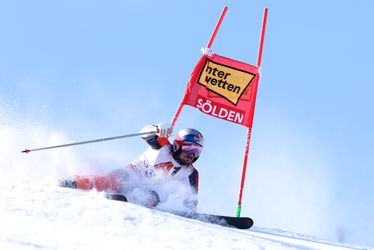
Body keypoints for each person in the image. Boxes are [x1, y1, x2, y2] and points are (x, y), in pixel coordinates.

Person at [58, 122, 204, 211]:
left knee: (154, 196)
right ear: (178, 145)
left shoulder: (191, 173)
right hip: (130, 175)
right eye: (189, 149)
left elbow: (191, 199)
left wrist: (191, 211)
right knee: (110, 182)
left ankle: (133, 200)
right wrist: (157, 129)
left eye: (197, 151)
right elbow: (144, 132)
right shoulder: (163, 146)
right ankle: (74, 182)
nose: (192, 155)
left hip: (147, 190)